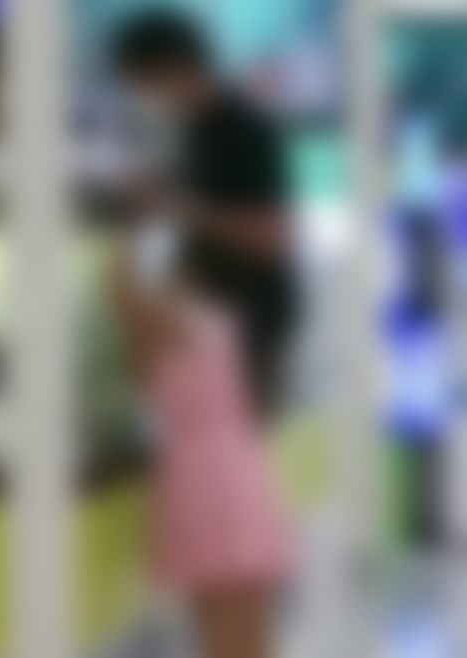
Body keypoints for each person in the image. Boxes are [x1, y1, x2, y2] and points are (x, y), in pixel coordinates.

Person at [110, 220, 293, 658]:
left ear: (189, 275)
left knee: (221, 605)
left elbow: (125, 302)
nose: (161, 281)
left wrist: (120, 245)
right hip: (234, 464)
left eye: (169, 272)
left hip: (202, 472)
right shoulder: (218, 324)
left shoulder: (184, 322)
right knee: (241, 602)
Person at [107, 6, 298, 419]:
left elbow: (272, 238)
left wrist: (180, 209)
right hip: (189, 322)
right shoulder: (169, 134)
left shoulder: (245, 132)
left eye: (143, 84)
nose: (141, 98)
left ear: (177, 70)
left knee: (233, 457)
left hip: (249, 325)